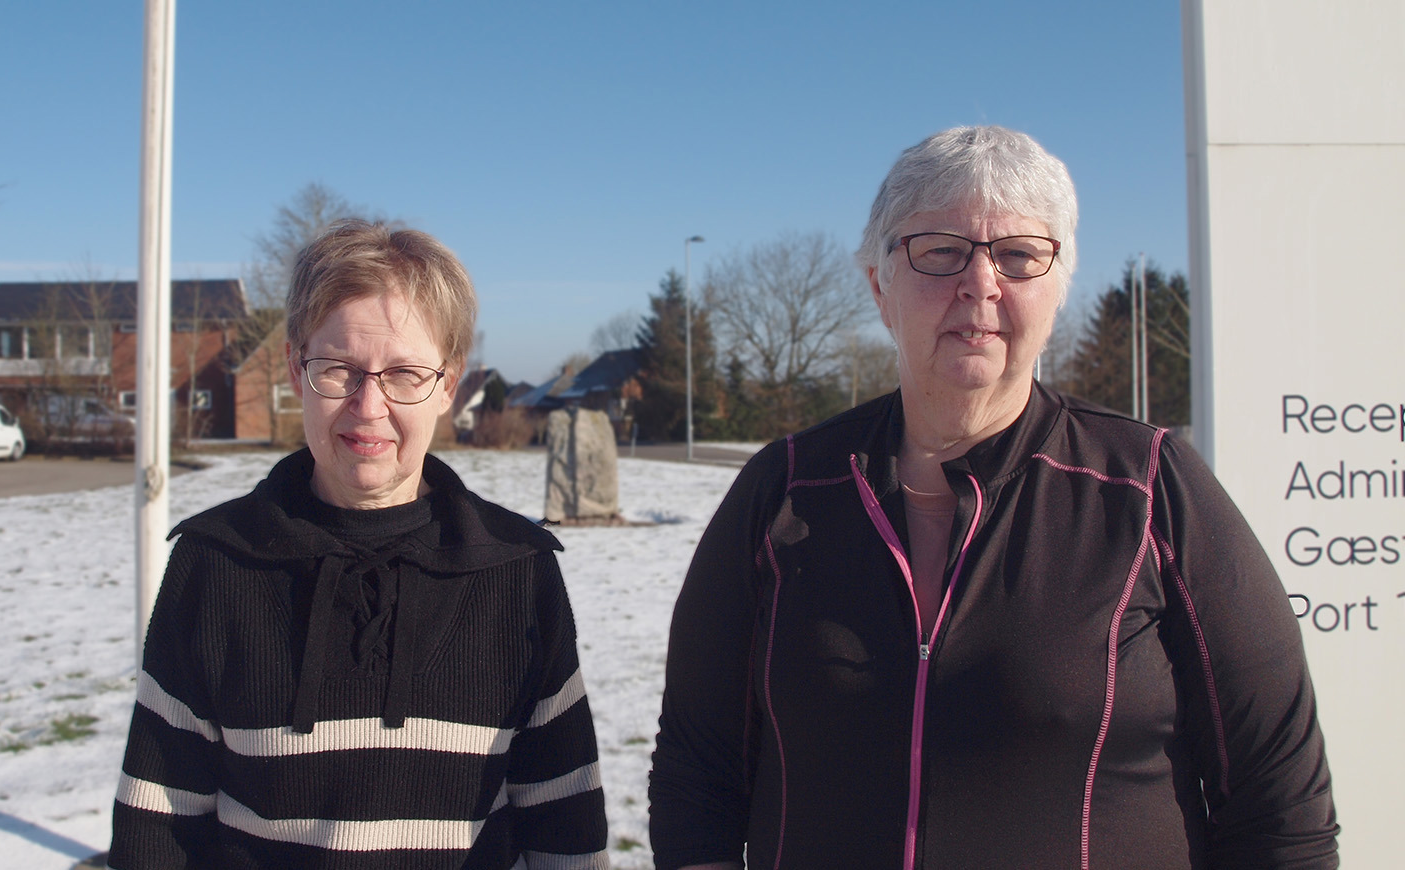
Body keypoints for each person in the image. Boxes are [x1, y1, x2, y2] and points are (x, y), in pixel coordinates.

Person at [648, 126, 1338, 869]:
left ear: (1058, 287)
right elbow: (698, 772)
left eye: (1018, 255)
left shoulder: (1149, 492)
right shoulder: (784, 490)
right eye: (939, 250)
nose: (980, 284)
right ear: (880, 284)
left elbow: (1279, 806)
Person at [110, 220, 608, 869]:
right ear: (295, 368)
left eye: (403, 374)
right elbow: (158, 827)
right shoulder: (215, 564)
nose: (368, 406)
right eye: (339, 369)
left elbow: (564, 823)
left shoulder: (517, 572)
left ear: (449, 385)